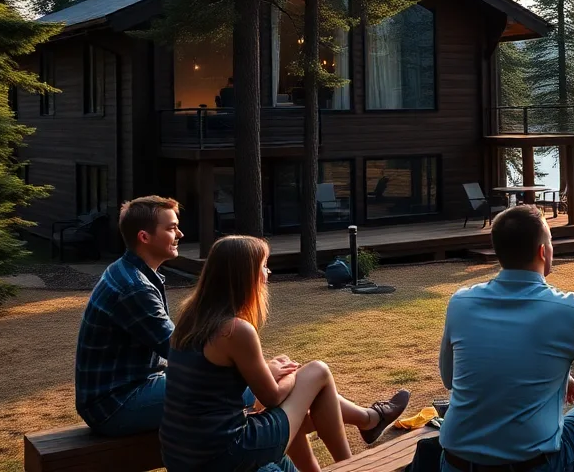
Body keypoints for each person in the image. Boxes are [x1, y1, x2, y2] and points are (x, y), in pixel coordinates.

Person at [160, 236, 410, 472]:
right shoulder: (235, 330)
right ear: (245, 276)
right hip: (224, 453)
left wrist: (272, 372)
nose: (267, 274)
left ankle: (341, 451)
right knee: (318, 371)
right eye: (263, 266)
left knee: (294, 397)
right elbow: (272, 397)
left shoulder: (190, 317)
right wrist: (292, 376)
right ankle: (349, 464)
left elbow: (215, 382)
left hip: (182, 453)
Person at [439, 205, 574, 472]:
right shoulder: (570, 310)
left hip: (455, 464)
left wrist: (558, 371)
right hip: (534, 467)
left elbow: (449, 378)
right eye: (550, 241)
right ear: (543, 252)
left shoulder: (461, 302)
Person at [75, 196, 184, 435]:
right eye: (171, 228)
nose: (180, 234)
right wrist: (254, 371)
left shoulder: (131, 272)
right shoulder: (134, 287)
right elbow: (179, 350)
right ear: (144, 237)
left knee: (234, 386)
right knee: (233, 388)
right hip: (114, 405)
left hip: (130, 388)